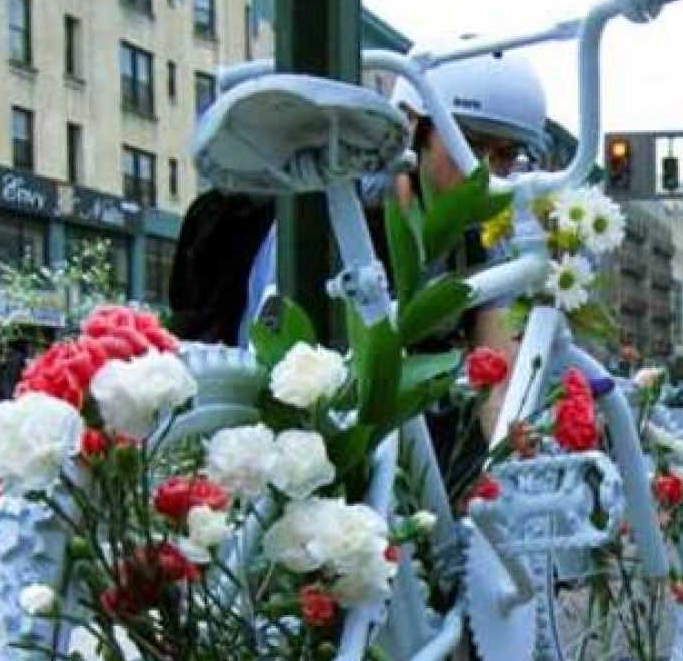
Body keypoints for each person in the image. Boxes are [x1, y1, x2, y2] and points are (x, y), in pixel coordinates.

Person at [170, 51, 549, 498]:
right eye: (469, 141)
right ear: (414, 126)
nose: (483, 168)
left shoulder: (481, 240)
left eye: (505, 155)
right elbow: (267, 353)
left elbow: (499, 377)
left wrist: (522, 467)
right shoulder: (331, 213)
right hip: (306, 431)